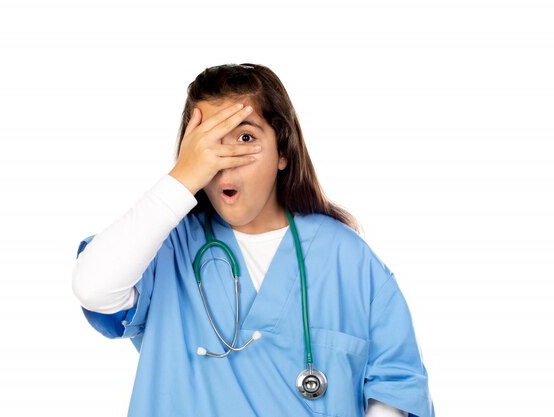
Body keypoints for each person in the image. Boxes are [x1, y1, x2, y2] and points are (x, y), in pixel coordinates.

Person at [72, 63, 435, 417]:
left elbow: (396, 385)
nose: (224, 161)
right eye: (208, 145)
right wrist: (182, 179)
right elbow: (94, 287)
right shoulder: (166, 248)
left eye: (245, 138)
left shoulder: (348, 258)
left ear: (283, 152)